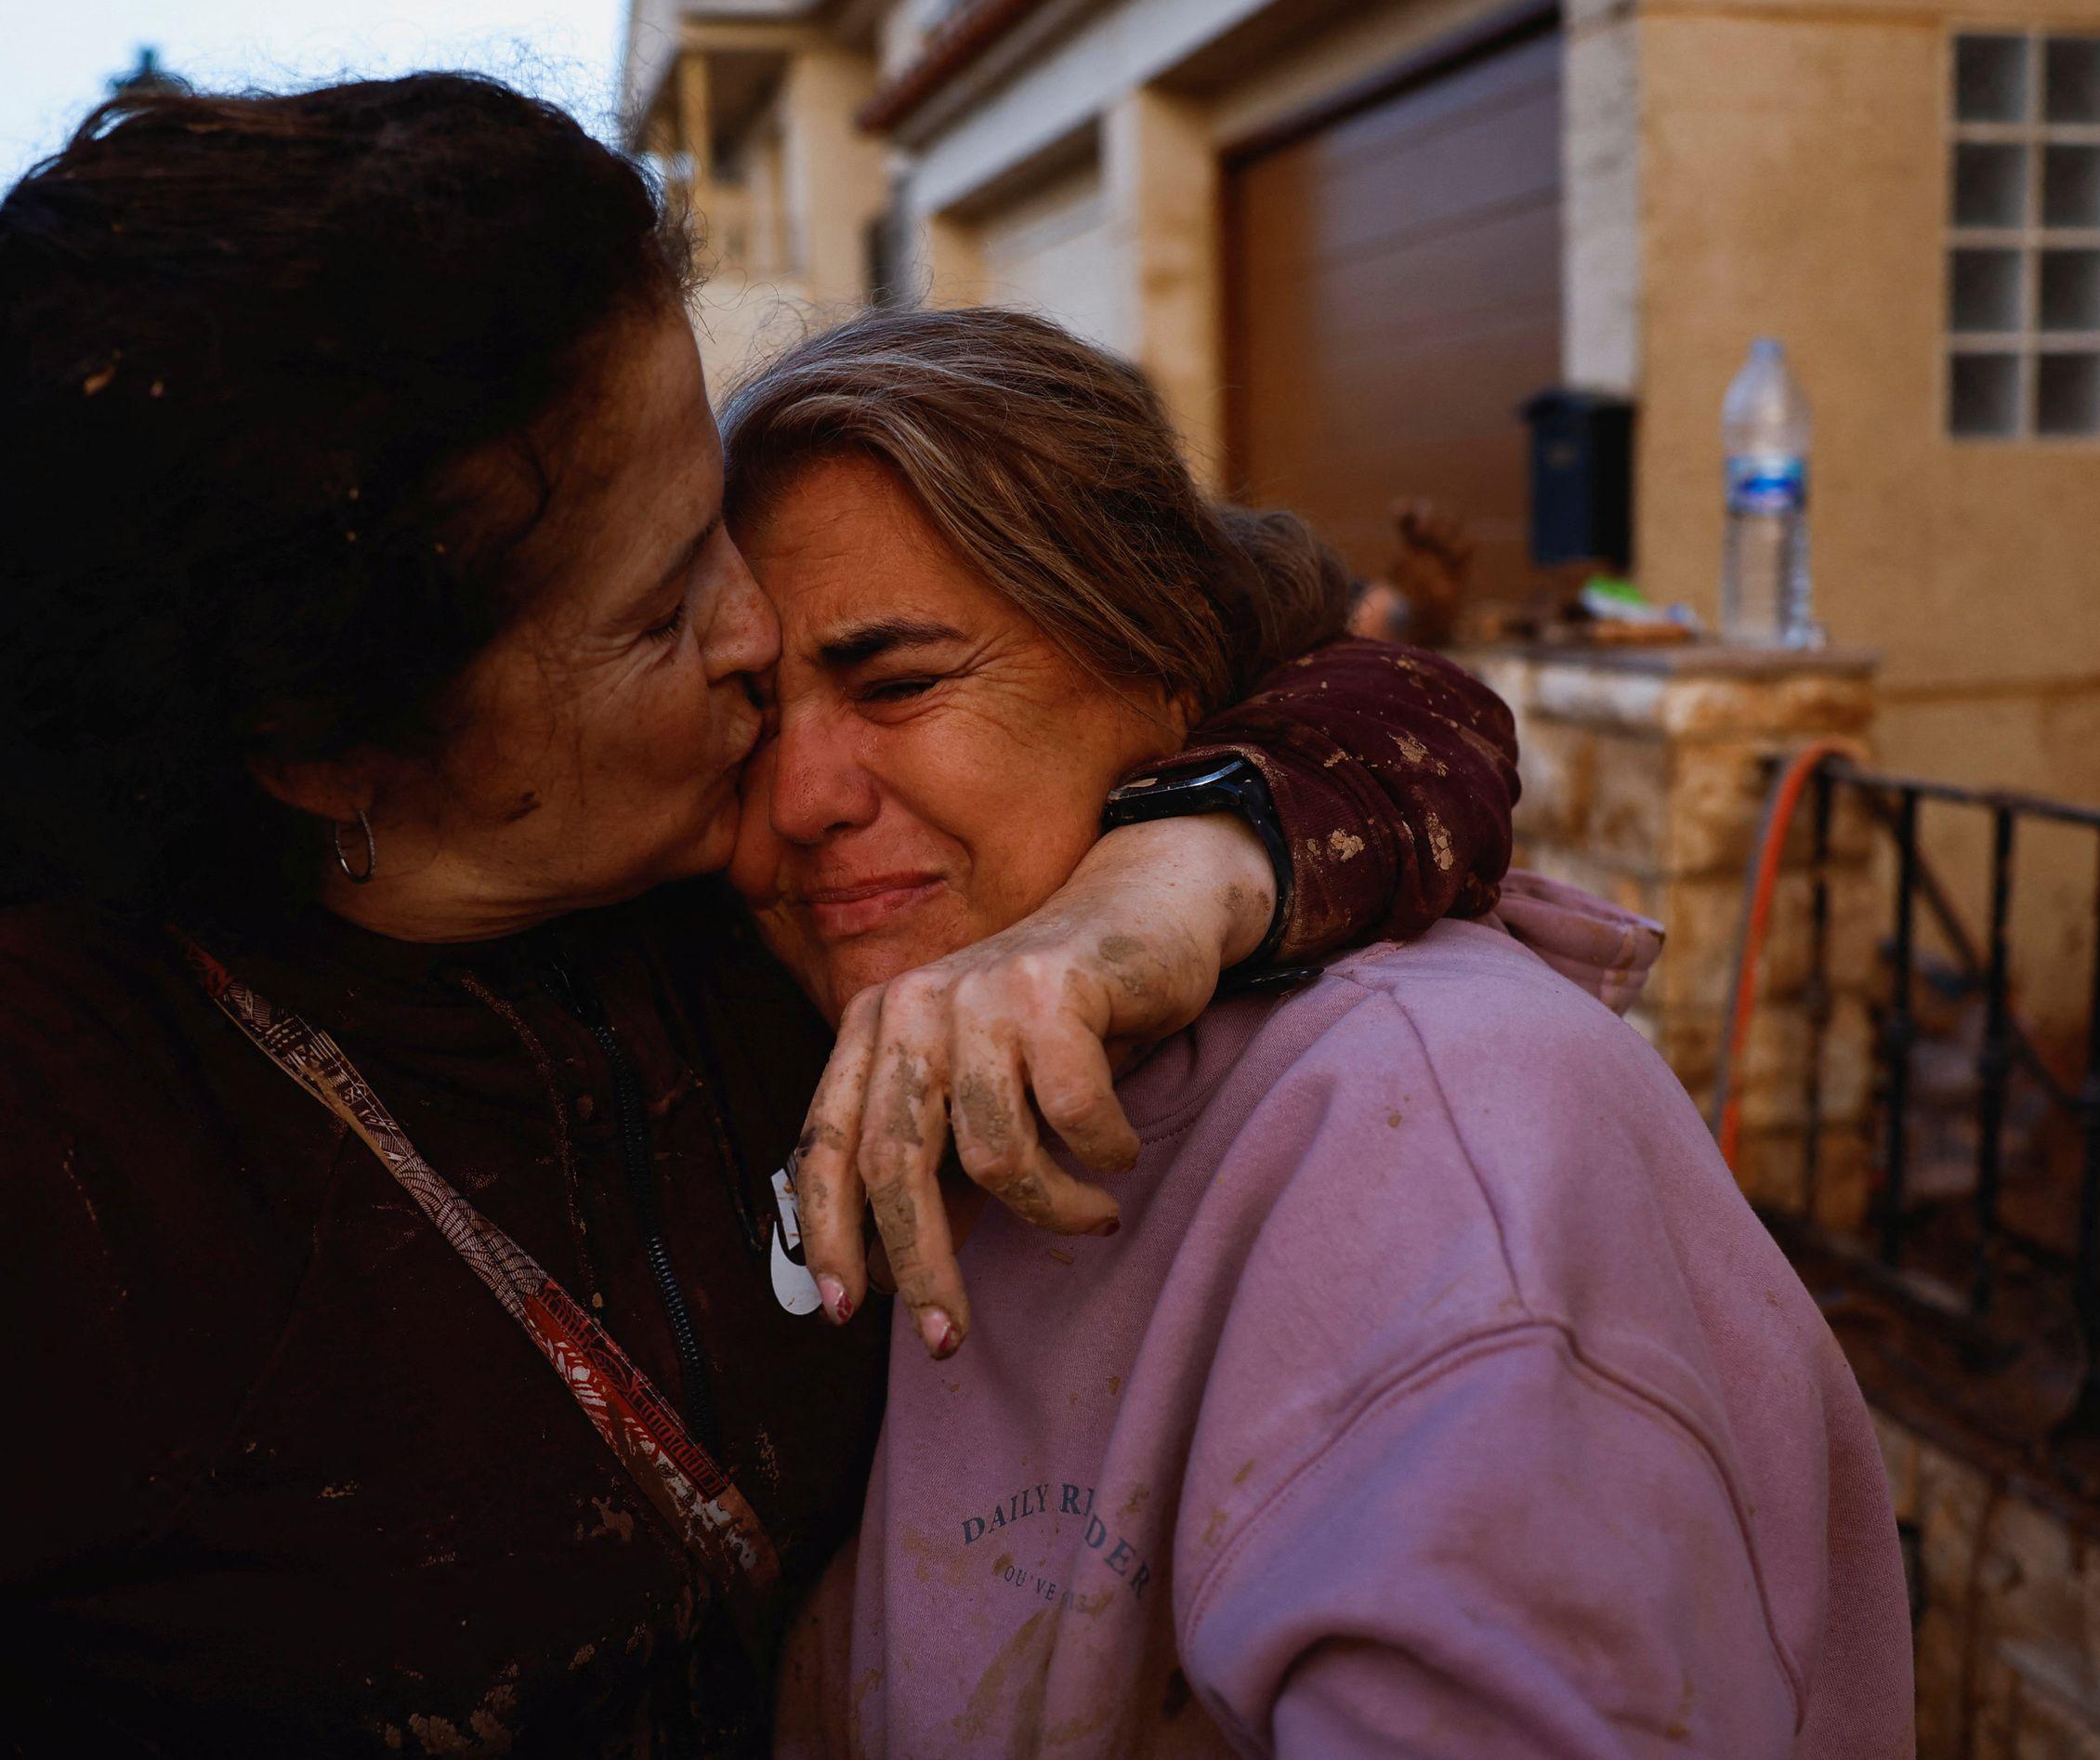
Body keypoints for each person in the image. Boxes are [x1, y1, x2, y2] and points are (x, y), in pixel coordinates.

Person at [0, 81, 1519, 1757]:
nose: (760, 640)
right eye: (663, 609)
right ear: (324, 744)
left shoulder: (711, 886)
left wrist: (1159, 878)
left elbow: (1356, 673)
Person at [727, 310, 1913, 1758]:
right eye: (743, 717)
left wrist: (1184, 861)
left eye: (896, 683)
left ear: (1161, 666)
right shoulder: (824, 1040)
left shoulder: (1433, 1141)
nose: (796, 799)